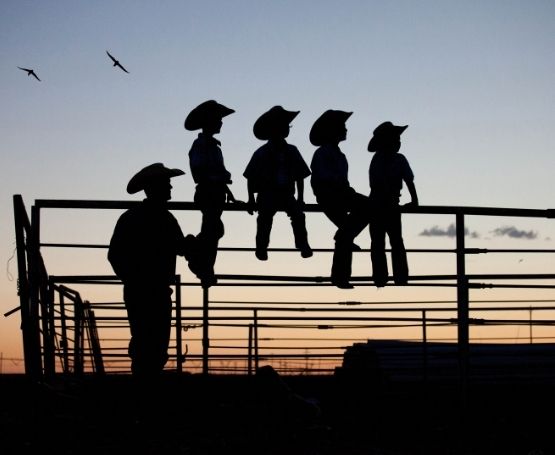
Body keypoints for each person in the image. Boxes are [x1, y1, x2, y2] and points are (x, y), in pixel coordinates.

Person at [108, 162, 196, 382]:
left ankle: (143, 388)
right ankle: (149, 388)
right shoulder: (166, 219)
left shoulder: (131, 217)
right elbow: (182, 249)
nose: (170, 188)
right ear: (154, 188)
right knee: (156, 342)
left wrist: (131, 278)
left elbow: (114, 255)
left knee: (143, 340)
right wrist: (196, 243)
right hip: (155, 290)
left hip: (138, 290)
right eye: (166, 184)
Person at [309, 109, 369, 289]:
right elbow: (322, 178)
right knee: (353, 225)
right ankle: (340, 276)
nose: (346, 130)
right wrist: (344, 191)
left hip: (339, 194)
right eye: (342, 126)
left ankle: (340, 277)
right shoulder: (323, 153)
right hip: (330, 195)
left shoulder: (337, 154)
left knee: (346, 233)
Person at [243, 105, 312, 261]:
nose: (287, 128)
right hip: (268, 193)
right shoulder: (263, 152)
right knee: (266, 217)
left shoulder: (290, 151)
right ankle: (261, 247)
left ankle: (302, 244)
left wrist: (300, 197)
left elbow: (300, 175)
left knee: (297, 216)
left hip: (286, 193)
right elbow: (251, 176)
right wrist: (251, 198)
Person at [184, 100, 236, 287]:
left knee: (212, 230)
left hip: (215, 192)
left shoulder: (211, 145)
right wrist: (217, 182)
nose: (221, 123)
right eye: (219, 119)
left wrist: (226, 191)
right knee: (213, 230)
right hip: (208, 192)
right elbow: (199, 171)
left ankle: (203, 266)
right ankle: (201, 263)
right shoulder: (201, 145)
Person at [367, 122, 418, 287]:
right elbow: (408, 180)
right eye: (396, 139)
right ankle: (400, 276)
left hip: (377, 203)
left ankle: (381, 277)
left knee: (378, 242)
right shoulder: (398, 159)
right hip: (389, 203)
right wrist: (415, 200)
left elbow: (407, 180)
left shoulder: (379, 159)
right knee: (395, 241)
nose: (399, 142)